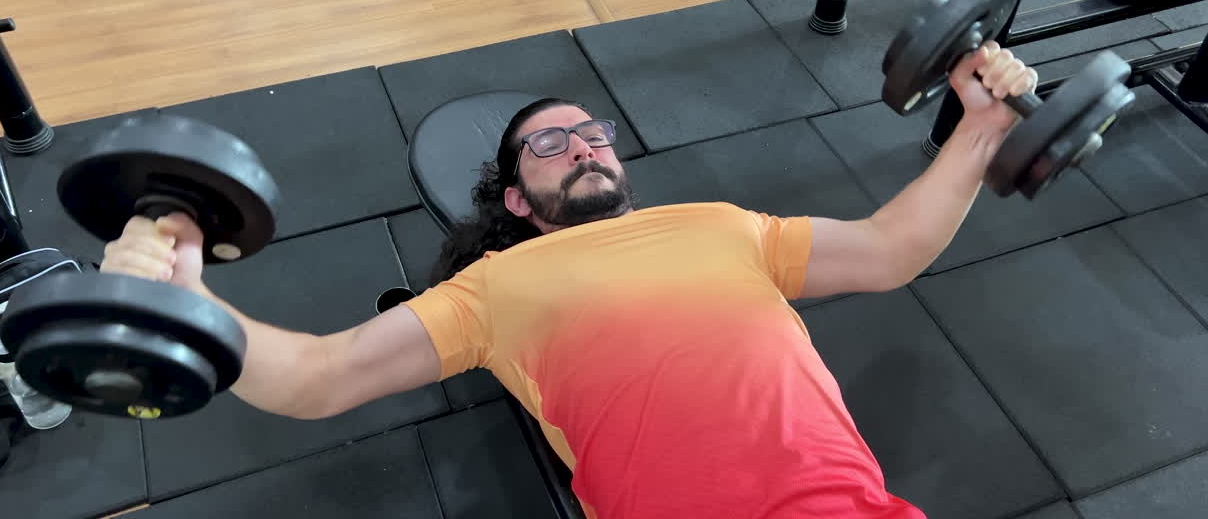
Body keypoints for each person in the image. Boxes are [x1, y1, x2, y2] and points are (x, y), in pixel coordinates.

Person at [101, 41, 1038, 518]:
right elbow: (318, 376)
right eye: (549, 144)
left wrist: (982, 124)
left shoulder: (723, 226)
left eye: (592, 133)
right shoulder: (493, 290)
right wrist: (189, 298)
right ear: (516, 199)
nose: (581, 145)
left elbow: (887, 249)